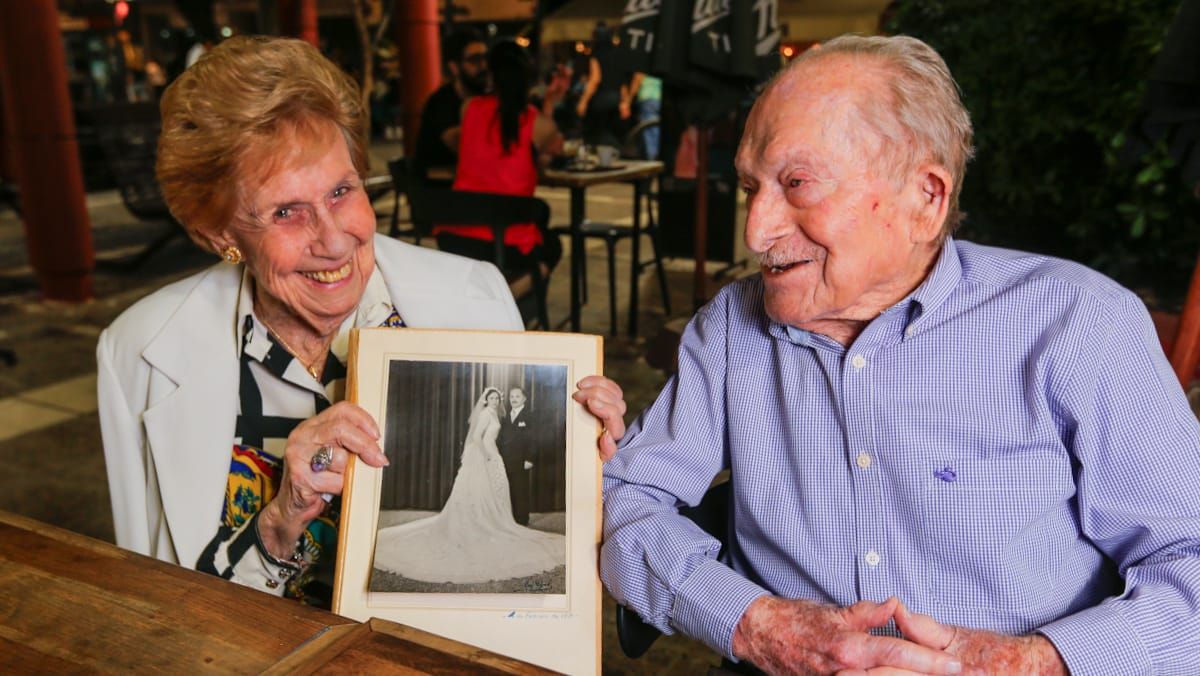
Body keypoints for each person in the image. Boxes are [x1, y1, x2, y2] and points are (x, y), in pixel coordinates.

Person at [600, 34, 1200, 674]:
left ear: (926, 199)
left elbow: (1187, 560)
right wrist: (753, 624)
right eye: (751, 185)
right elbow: (629, 503)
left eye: (797, 183)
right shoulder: (729, 329)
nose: (755, 230)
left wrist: (1031, 662)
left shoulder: (1079, 324)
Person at [96, 35, 626, 607]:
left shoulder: (474, 294)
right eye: (285, 212)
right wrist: (281, 520)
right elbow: (164, 609)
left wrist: (584, 457)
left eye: (341, 191)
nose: (332, 239)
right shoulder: (139, 350)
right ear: (220, 235)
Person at [374, 386, 563, 583]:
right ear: (486, 399)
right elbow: (475, 438)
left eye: (497, 398)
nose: (495, 401)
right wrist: (488, 456)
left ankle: (500, 519)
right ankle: (482, 522)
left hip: (496, 456)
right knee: (481, 491)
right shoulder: (485, 414)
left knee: (494, 492)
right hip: (487, 456)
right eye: (491, 398)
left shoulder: (498, 414)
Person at [434, 39, 564, 280]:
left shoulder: (468, 108)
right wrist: (549, 105)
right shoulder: (539, 124)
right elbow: (548, 155)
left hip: (456, 236)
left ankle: (495, 300)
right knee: (552, 246)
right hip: (507, 241)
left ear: (491, 75)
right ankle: (510, 297)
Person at [413, 28, 489, 186]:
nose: (484, 66)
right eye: (475, 60)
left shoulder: (487, 99)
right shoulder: (441, 101)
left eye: (486, 58)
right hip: (439, 193)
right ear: (454, 67)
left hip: (470, 187)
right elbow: (463, 148)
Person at [576, 22, 626, 149]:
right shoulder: (619, 53)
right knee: (615, 135)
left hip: (602, 99)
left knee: (598, 135)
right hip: (617, 98)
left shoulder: (597, 54)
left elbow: (595, 79)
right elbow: (623, 81)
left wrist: (583, 101)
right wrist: (625, 102)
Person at [496, 385, 539, 525]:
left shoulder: (530, 416)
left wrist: (530, 458)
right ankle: (511, 519)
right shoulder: (506, 416)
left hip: (521, 460)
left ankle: (522, 520)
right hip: (506, 459)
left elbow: (534, 439)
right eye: (512, 397)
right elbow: (501, 439)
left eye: (517, 396)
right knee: (509, 489)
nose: (514, 399)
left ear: (524, 399)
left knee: (520, 490)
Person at [620, 72, 662, 160]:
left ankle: (652, 161)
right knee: (655, 130)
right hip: (658, 99)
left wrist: (628, 100)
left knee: (648, 132)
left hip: (647, 98)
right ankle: (654, 158)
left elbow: (638, 79)